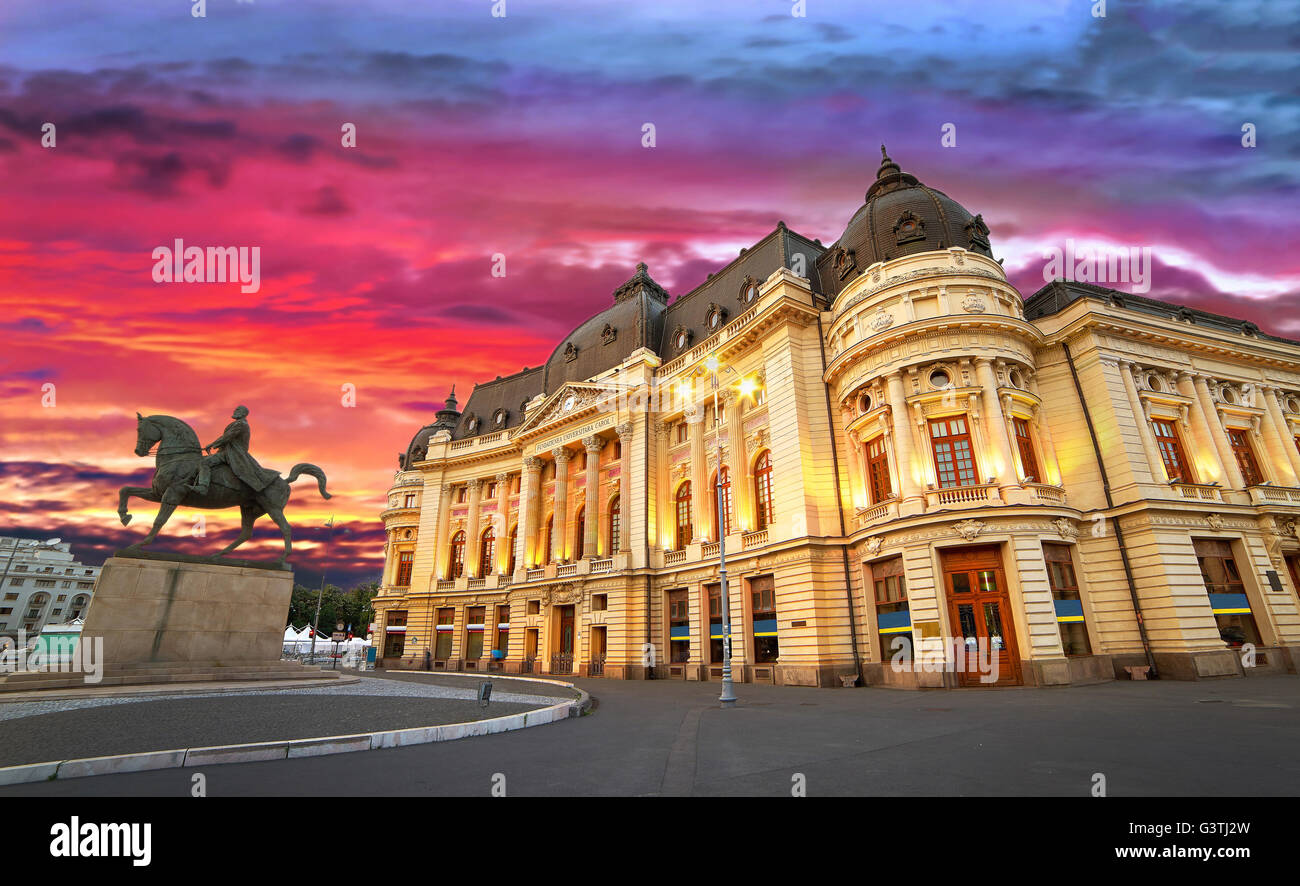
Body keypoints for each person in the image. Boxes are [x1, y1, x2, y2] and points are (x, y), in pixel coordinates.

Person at [189, 405, 279, 495]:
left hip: (232, 454)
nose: (235, 411)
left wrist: (212, 445)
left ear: (243, 413)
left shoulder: (241, 424)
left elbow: (227, 437)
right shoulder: (240, 424)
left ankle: (203, 486)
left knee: (204, 463)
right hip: (228, 451)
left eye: (238, 410)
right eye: (235, 409)